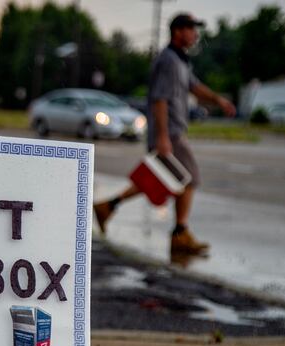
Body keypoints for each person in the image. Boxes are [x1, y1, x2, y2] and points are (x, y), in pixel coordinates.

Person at [94, 12, 236, 255]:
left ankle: (107, 206)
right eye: (192, 29)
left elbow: (195, 86)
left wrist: (218, 100)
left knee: (155, 179)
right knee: (190, 178)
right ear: (178, 31)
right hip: (170, 133)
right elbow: (160, 99)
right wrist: (162, 137)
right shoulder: (168, 61)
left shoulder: (180, 61)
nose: (195, 34)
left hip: (171, 132)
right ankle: (180, 234)